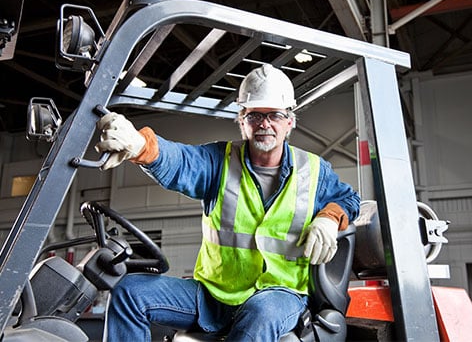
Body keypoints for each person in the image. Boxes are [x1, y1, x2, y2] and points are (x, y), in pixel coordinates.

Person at [95, 64, 360, 342]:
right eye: (254, 115)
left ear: (290, 121)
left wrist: (330, 217)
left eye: (275, 115)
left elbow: (348, 198)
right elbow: (180, 162)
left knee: (260, 313)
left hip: (279, 294)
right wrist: (140, 145)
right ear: (241, 119)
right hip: (213, 294)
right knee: (129, 292)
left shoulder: (314, 170)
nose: (264, 124)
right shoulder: (217, 162)